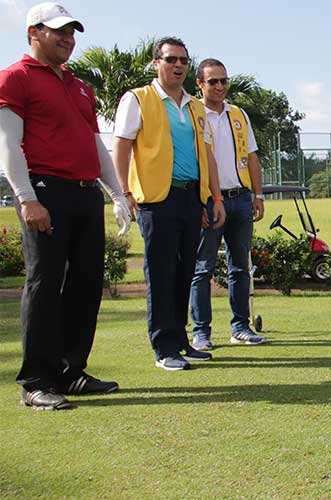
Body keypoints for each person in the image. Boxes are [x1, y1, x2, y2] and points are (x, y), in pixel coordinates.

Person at [0, 2, 132, 410]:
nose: (67, 39)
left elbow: (96, 143)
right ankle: (37, 380)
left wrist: (116, 194)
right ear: (33, 34)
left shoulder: (79, 86)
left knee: (85, 284)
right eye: (58, 31)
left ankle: (70, 370)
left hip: (83, 193)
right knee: (44, 285)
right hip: (45, 191)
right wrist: (27, 198)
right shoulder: (15, 78)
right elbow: (8, 145)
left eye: (72, 32)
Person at [111, 37, 226, 371]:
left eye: (184, 61)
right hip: (156, 199)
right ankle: (163, 347)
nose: (178, 66)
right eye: (171, 59)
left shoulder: (194, 105)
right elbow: (121, 147)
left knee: (184, 271)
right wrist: (124, 193)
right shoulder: (138, 99)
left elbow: (208, 155)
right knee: (161, 273)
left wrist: (214, 197)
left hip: (191, 198)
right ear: (155, 63)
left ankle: (180, 340)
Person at [189, 58, 266, 350]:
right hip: (208, 201)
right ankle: (201, 332)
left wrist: (257, 195)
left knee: (239, 268)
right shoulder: (193, 113)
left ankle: (240, 327)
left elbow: (253, 156)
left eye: (224, 80)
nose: (220, 86)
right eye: (213, 81)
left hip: (241, 199)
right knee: (203, 268)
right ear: (200, 84)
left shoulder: (238, 114)